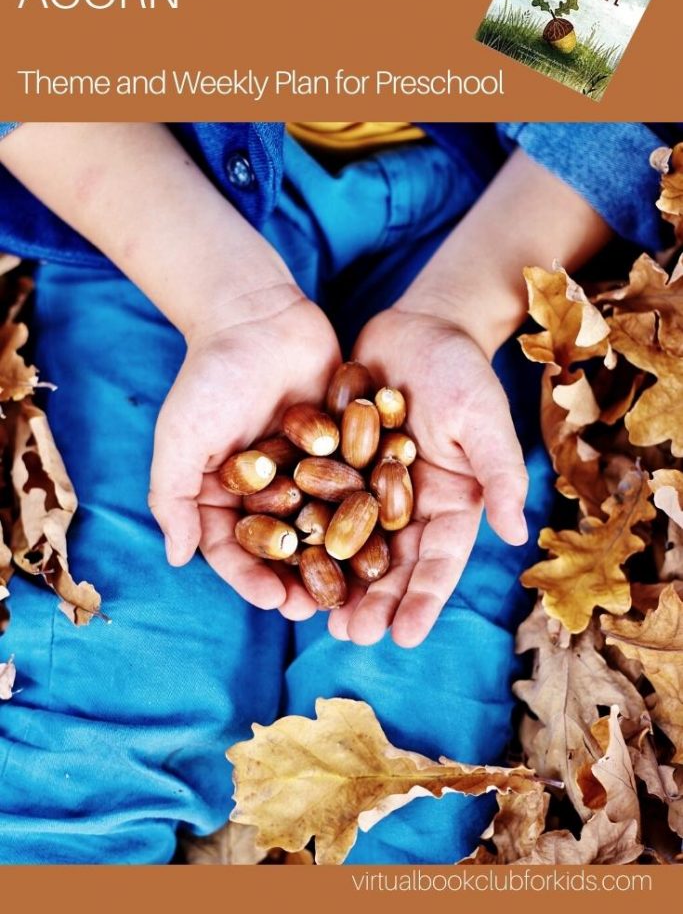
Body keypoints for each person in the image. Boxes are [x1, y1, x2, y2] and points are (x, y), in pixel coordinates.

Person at [0, 121, 674, 864]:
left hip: (491, 226)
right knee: (103, 705)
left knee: (410, 758)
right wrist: (222, 299)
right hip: (145, 201)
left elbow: (601, 51)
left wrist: (460, 312)